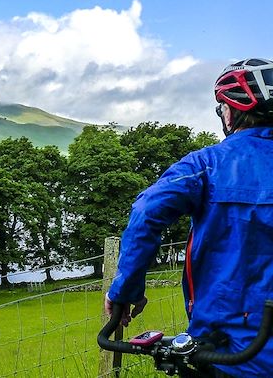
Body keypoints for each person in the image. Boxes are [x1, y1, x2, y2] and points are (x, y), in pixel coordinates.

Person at [105, 58, 273, 377]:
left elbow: (146, 212)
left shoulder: (206, 164)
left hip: (227, 354)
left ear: (231, 111)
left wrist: (125, 291)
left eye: (221, 108)